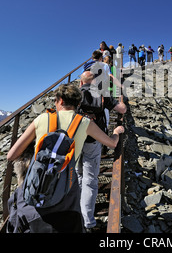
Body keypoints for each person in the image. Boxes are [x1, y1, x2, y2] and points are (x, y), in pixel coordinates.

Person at [6, 84, 124, 233]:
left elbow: (11, 155)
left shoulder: (42, 118)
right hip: (67, 185)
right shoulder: (85, 122)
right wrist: (116, 132)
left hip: (36, 184)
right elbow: (112, 143)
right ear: (78, 104)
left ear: (60, 101)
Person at [77, 71, 127, 231]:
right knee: (90, 180)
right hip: (94, 139)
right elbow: (122, 109)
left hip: (75, 140)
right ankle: (88, 221)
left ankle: (77, 211)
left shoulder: (75, 95)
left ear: (80, 83)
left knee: (78, 175)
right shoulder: (101, 94)